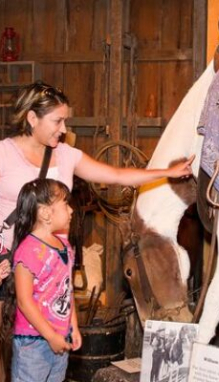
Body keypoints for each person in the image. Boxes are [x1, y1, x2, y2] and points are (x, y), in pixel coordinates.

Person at [0, 81, 194, 380]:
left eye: (65, 120)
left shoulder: (66, 155)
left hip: (53, 273)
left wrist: (167, 172)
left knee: (45, 358)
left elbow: (116, 175)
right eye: (57, 120)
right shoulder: (4, 154)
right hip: (9, 266)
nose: (63, 129)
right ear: (31, 118)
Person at [5, 179, 80, 382]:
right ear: (46, 214)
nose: (71, 210)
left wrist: (73, 327)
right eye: (65, 204)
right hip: (33, 343)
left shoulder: (64, 246)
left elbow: (67, 291)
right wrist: (51, 336)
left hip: (59, 338)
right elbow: (24, 301)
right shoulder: (28, 250)